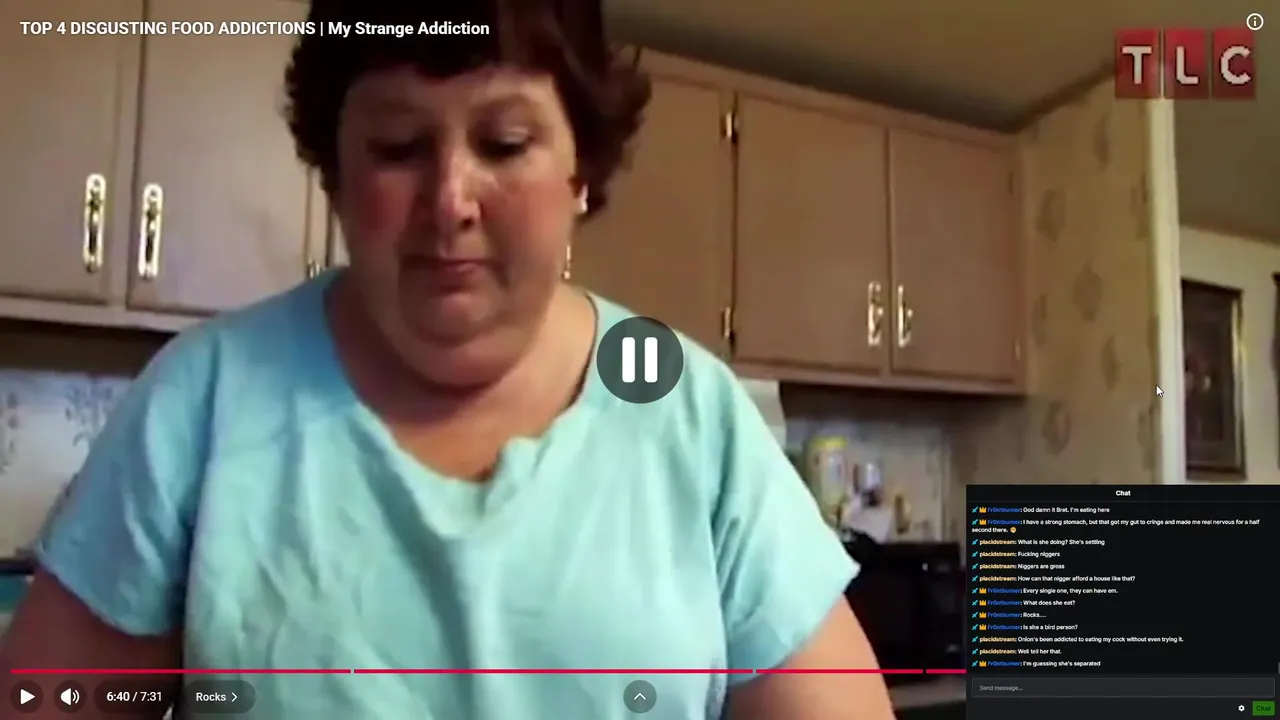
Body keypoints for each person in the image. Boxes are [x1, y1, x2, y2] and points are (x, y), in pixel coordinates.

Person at [0, 2, 895, 718]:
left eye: (504, 145)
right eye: (398, 148)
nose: (450, 201)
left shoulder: (691, 413)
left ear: (581, 169)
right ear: (335, 173)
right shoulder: (203, 400)